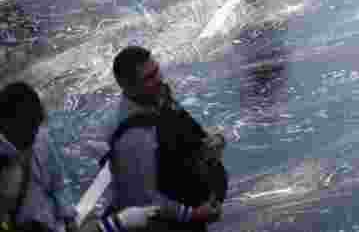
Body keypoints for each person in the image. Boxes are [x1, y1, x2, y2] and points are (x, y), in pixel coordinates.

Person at [105, 47, 226, 227]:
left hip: (194, 205)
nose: (159, 79)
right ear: (128, 86)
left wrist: (211, 143)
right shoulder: (134, 135)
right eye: (149, 78)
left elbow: (187, 133)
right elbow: (142, 202)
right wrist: (192, 215)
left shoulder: (157, 97)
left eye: (157, 71)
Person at [0, 83, 77, 232]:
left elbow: (58, 182)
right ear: (6, 123)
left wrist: (70, 219)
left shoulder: (41, 137)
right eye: (27, 127)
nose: (34, 134)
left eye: (36, 126)